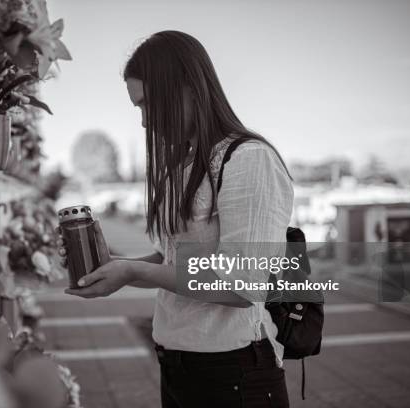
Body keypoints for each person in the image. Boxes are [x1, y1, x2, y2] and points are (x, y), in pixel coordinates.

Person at [57, 30, 294, 408]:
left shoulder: (248, 159)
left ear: (188, 87)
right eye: (138, 108)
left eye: (148, 104)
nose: (145, 122)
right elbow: (172, 261)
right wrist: (113, 267)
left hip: (234, 372)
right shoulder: (182, 166)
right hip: (180, 364)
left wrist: (135, 274)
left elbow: (243, 286)